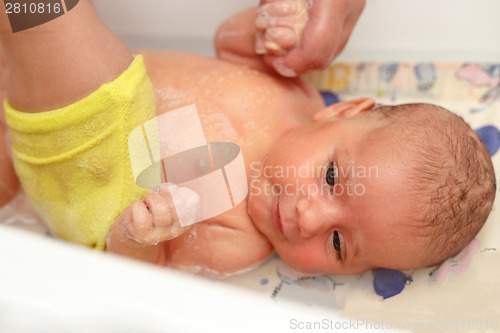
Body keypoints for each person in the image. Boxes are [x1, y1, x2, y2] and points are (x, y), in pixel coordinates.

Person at [0, 0, 495, 276]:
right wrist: (272, 27)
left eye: (339, 243)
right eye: (330, 177)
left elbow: (143, 271)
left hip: (90, 171)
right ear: (341, 111)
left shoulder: (241, 241)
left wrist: (140, 234)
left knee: (49, 22)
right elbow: (229, 45)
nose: (308, 217)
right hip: (53, 103)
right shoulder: (293, 89)